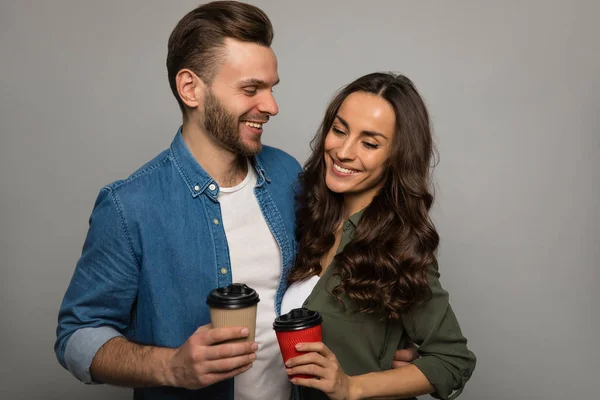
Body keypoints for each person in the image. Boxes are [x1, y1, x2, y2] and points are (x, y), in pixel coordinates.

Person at [54, 2, 417, 400]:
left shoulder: (286, 175)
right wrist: (170, 366)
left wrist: (382, 346)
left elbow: (338, 269)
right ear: (191, 88)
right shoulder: (129, 205)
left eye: (271, 88)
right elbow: (76, 336)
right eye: (251, 89)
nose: (272, 106)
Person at [281, 72, 476, 400]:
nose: (343, 151)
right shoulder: (304, 216)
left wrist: (352, 386)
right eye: (339, 130)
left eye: (369, 143)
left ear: (397, 157)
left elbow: (452, 360)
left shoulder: (399, 246)